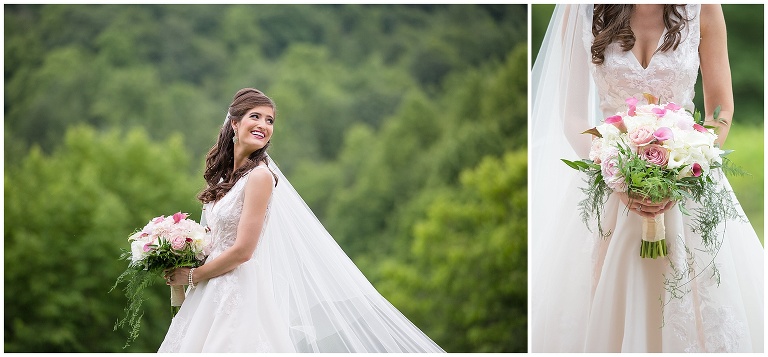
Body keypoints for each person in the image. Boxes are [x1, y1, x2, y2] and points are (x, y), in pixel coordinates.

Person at [530, 4, 763, 352]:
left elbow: (720, 108)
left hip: (688, 183)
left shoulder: (703, 8)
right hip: (608, 183)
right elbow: (573, 115)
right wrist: (617, 174)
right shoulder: (580, 10)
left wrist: (685, 164)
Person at [158, 88, 444, 352]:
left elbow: (244, 251)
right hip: (208, 290)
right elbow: (212, 241)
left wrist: (193, 276)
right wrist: (180, 256)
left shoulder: (259, 178)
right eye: (254, 116)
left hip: (235, 291)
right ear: (234, 123)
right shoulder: (223, 180)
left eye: (269, 120)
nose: (263, 125)